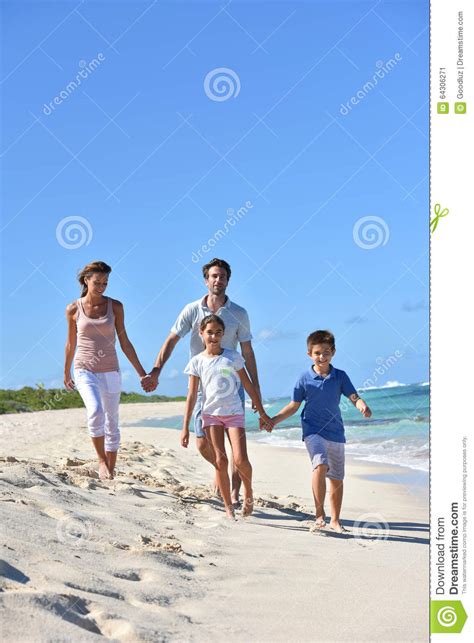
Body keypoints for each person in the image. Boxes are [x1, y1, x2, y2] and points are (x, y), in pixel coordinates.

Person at [142, 258, 263, 505]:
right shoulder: (192, 310)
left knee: (237, 445)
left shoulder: (239, 313)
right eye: (214, 276)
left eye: (222, 276)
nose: (218, 280)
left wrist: (256, 391)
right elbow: (171, 340)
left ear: (228, 280)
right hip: (203, 386)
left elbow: (248, 352)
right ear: (206, 280)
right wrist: (156, 371)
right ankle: (221, 468)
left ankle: (234, 493)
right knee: (201, 443)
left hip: (232, 387)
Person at [265, 330, 372, 533]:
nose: (322, 357)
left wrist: (362, 405)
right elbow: (294, 406)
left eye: (326, 353)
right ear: (309, 354)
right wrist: (273, 420)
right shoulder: (304, 378)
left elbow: (353, 396)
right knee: (320, 464)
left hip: (336, 432)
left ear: (333, 352)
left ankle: (336, 520)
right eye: (317, 353)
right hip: (312, 429)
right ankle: (319, 514)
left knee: (337, 478)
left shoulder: (340, 376)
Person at [181, 315, 272, 519]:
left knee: (240, 459)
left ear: (224, 334)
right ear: (201, 334)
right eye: (210, 332)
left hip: (234, 414)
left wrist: (262, 412)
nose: (214, 336)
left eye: (218, 332)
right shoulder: (196, 362)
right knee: (221, 460)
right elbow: (191, 396)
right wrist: (185, 427)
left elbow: (248, 385)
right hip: (211, 416)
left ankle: (248, 491)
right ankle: (229, 507)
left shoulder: (233, 357)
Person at [64, 261, 149, 480]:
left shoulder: (116, 307)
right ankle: (101, 460)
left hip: (110, 369)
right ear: (86, 280)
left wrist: (142, 373)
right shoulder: (73, 309)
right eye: (97, 282)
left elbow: (125, 343)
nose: (101, 287)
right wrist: (66, 372)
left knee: (112, 420)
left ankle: (110, 469)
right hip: (84, 368)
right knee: (95, 410)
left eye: (105, 283)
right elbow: (70, 344)